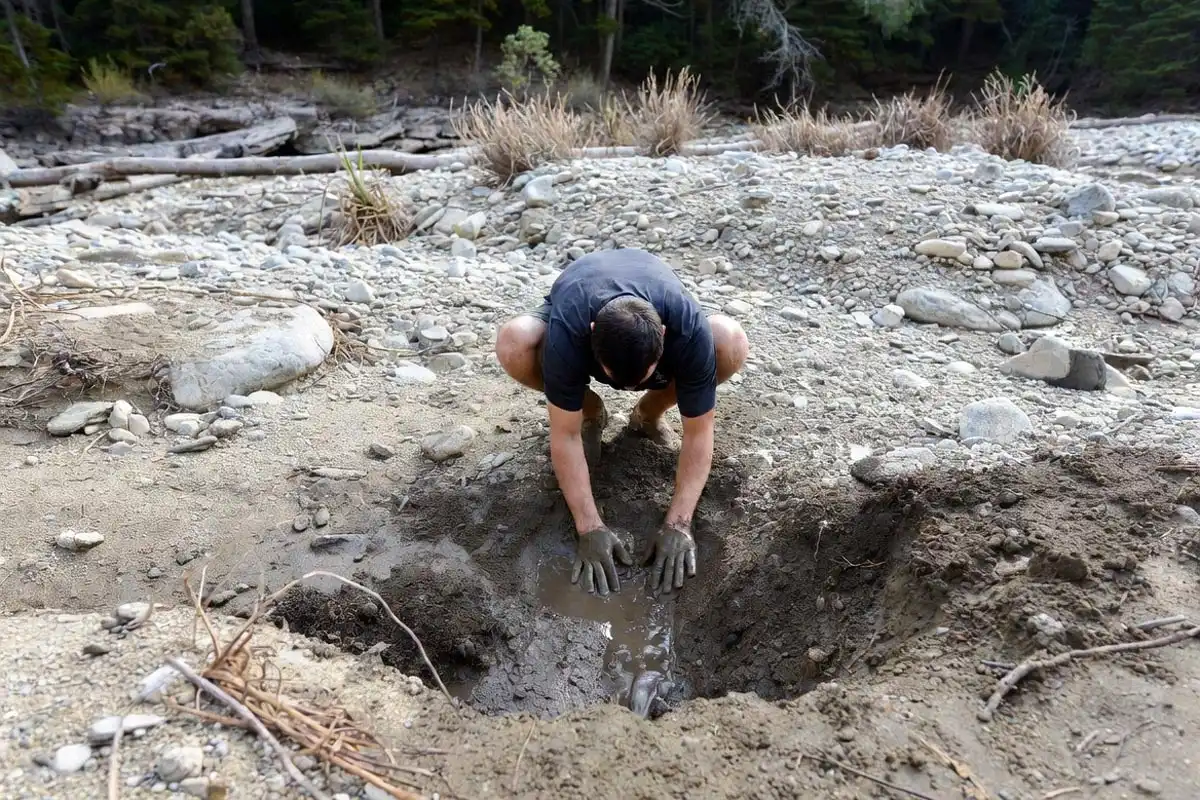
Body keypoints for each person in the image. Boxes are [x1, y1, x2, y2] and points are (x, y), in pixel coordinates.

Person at [495, 248, 750, 598]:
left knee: (729, 339)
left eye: (640, 380)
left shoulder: (685, 327)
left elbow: (699, 432)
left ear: (662, 333)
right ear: (592, 333)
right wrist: (588, 528)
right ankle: (589, 410)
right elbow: (564, 436)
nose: (627, 389)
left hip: (654, 318)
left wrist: (679, 524)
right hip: (580, 298)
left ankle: (648, 415)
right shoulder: (570, 328)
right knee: (515, 342)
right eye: (618, 380)